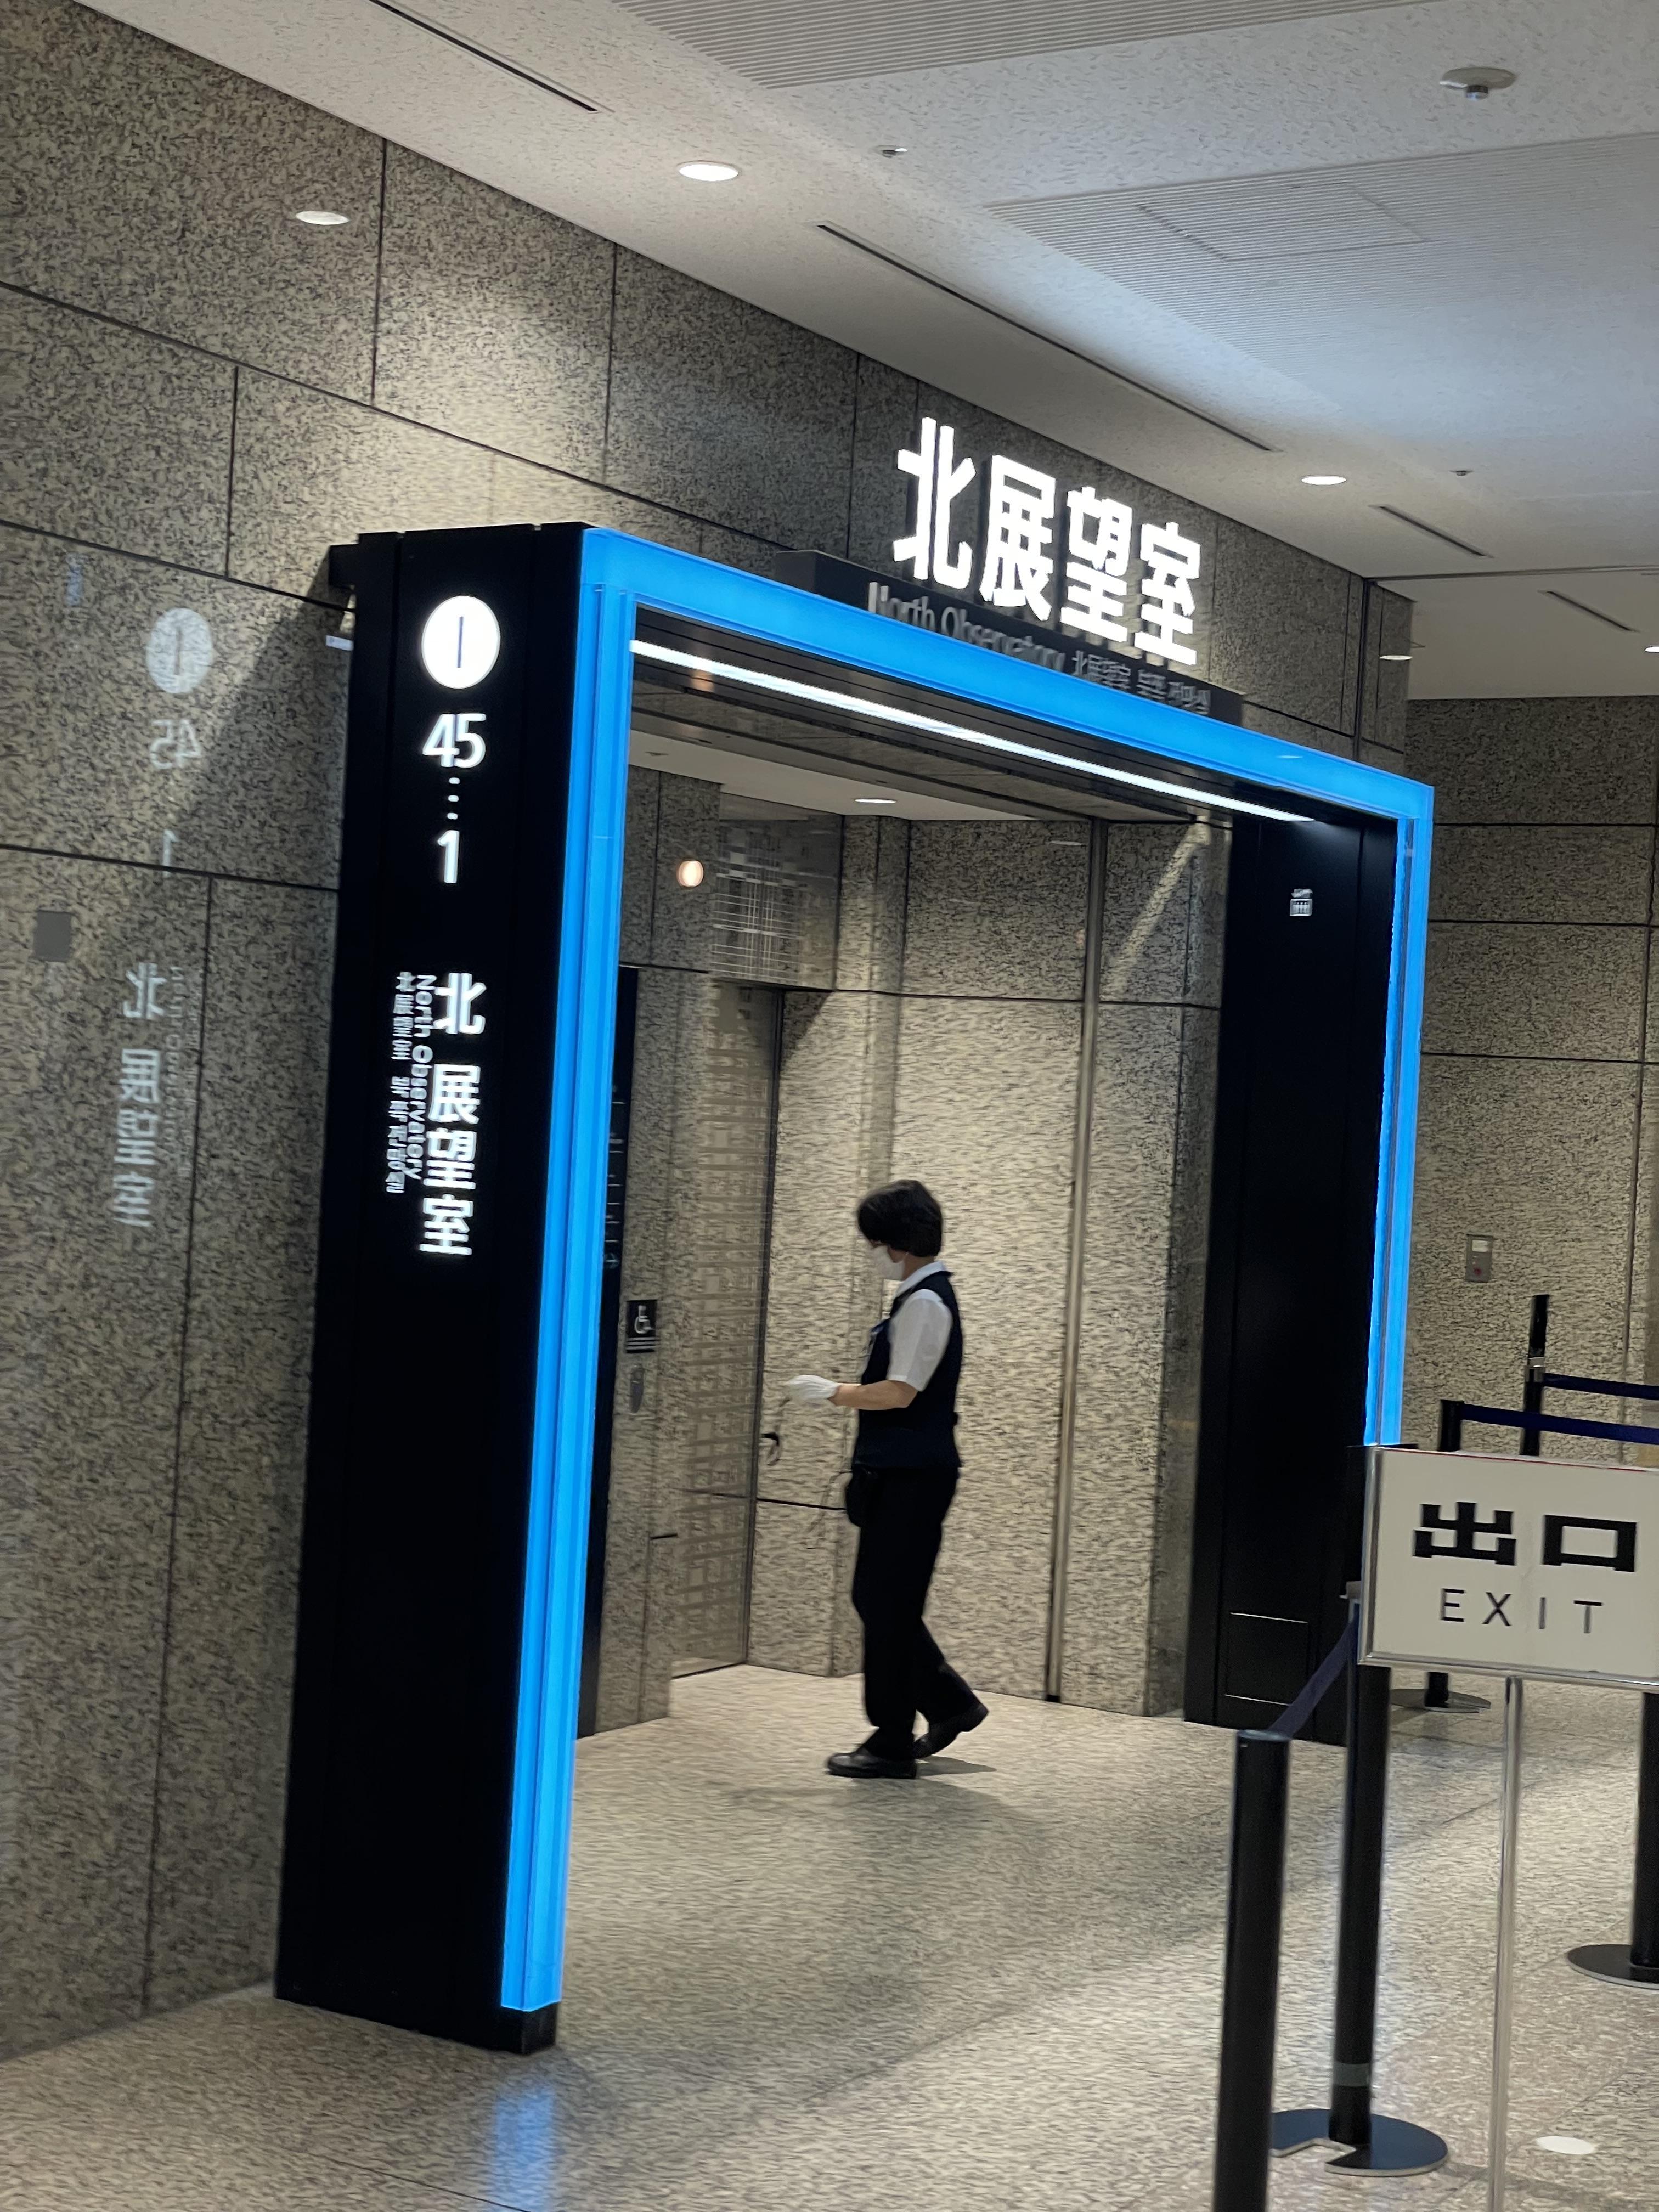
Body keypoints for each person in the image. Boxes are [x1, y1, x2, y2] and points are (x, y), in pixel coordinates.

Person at [785, 1180, 988, 1780]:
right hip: (903, 1473)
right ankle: (949, 1704)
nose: (871, 1253)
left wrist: (833, 1393)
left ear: (896, 1243)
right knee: (881, 1599)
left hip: (913, 1477)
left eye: (873, 1243)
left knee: (886, 1603)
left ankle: (893, 1739)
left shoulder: (925, 1303)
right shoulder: (917, 1297)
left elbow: (900, 1392)